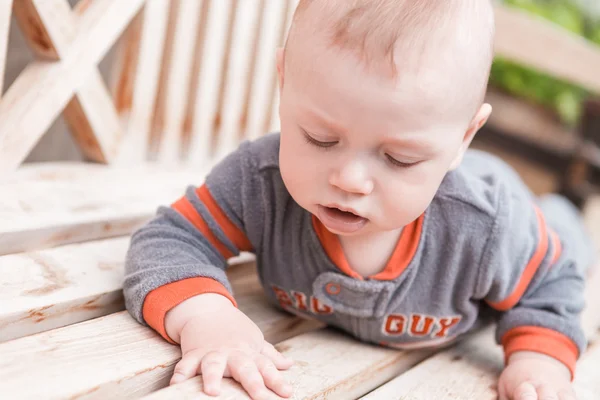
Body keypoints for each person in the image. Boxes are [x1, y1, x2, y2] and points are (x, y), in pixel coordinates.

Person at [124, 1, 595, 399]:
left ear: (463, 137)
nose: (350, 179)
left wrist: (538, 359)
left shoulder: (488, 227)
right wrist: (206, 317)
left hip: (508, 197)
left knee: (563, 236)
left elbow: (550, 285)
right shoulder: (258, 181)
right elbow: (172, 236)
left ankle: (564, 208)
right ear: (284, 81)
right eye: (321, 138)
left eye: (399, 158)